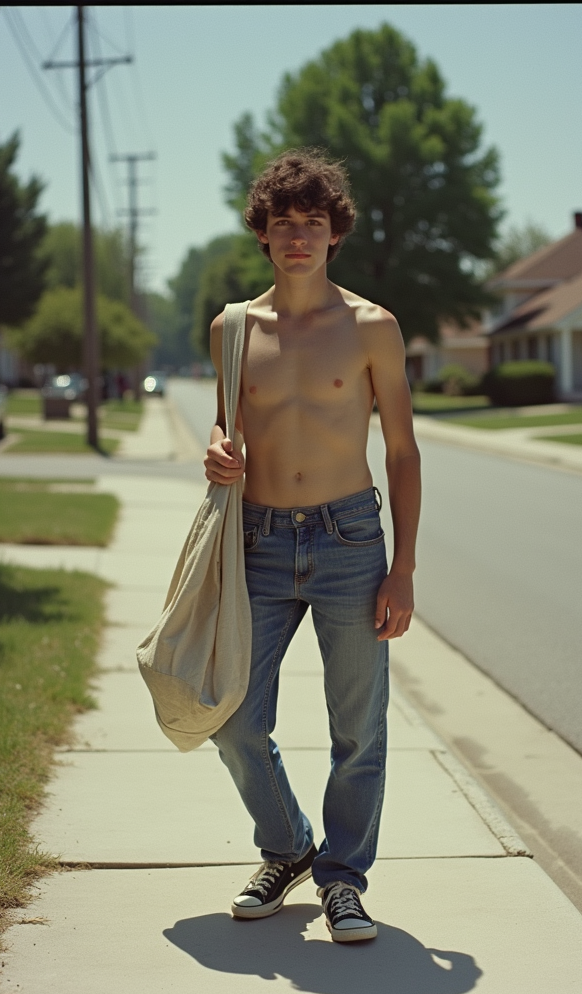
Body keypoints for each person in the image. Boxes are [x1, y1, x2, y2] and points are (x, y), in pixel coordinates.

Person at [205, 150, 421, 943]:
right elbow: (228, 428)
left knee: (358, 730)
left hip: (349, 541)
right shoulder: (233, 327)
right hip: (257, 541)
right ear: (262, 234)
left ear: (335, 235)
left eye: (314, 224)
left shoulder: (372, 326)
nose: (299, 238)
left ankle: (343, 879)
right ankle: (289, 843)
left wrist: (402, 565)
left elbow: (401, 450)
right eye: (284, 224)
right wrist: (218, 450)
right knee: (231, 717)